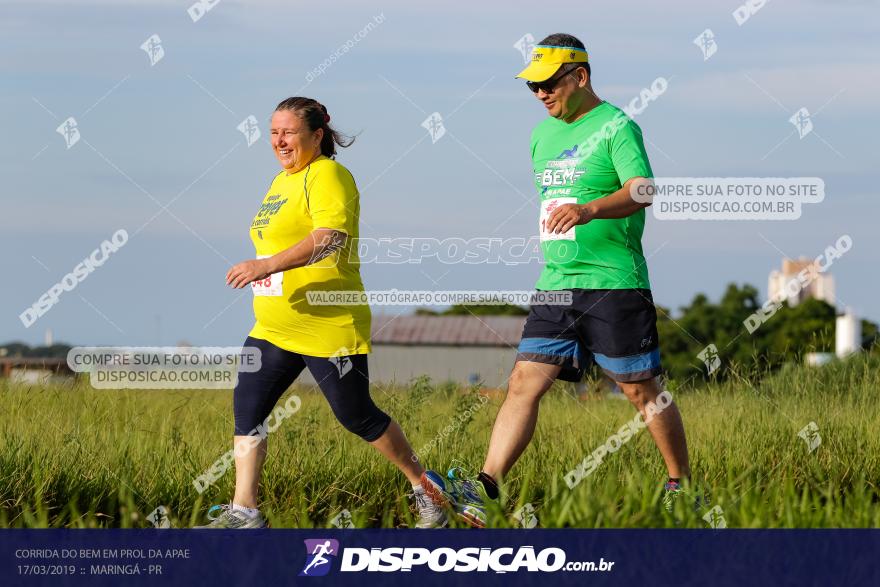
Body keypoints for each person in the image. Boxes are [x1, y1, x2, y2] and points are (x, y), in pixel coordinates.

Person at [422, 33, 691, 526]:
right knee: (524, 381)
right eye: (533, 87)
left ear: (579, 77)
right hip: (556, 281)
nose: (541, 94)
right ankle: (486, 487)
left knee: (639, 388)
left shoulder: (616, 126)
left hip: (613, 280)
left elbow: (644, 188)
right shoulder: (540, 136)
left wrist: (587, 210)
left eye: (548, 84)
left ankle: (680, 485)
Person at [195, 97, 445, 529]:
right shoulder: (280, 182)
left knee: (356, 415)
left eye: (288, 132)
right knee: (248, 409)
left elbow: (329, 238)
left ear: (316, 135)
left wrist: (265, 265)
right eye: (273, 132)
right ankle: (245, 512)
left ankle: (428, 491)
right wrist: (266, 267)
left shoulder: (329, 174)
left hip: (328, 321)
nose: (279, 141)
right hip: (275, 324)